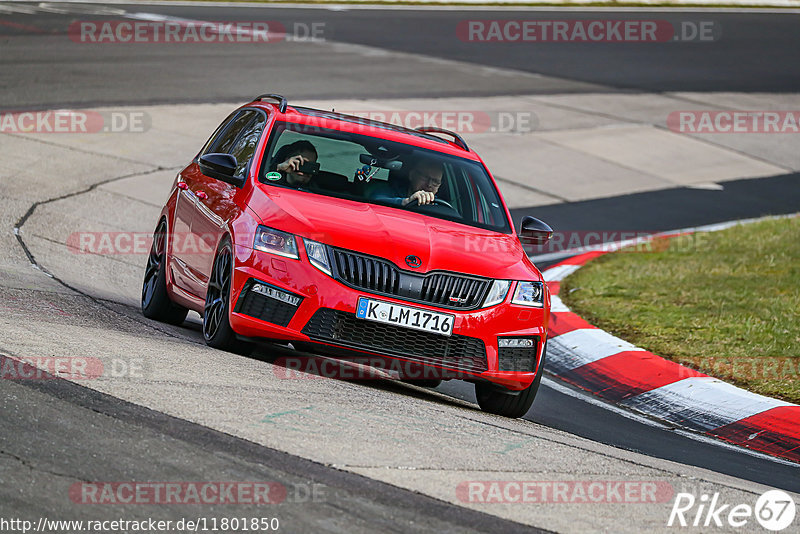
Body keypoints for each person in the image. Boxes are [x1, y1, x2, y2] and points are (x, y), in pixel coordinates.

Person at [370, 157, 443, 207]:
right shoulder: (391, 191)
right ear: (412, 175)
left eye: (435, 181)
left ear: (439, 186)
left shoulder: (440, 206)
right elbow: (375, 201)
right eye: (425, 177)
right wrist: (406, 202)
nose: (429, 184)